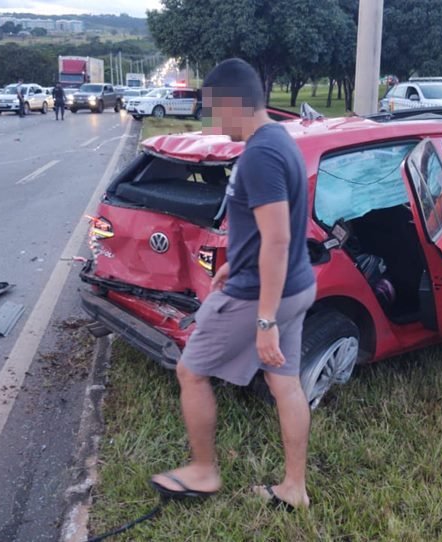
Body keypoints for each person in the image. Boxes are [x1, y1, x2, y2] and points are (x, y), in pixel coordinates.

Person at [149, 58, 316, 509]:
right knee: (286, 384)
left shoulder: (261, 155)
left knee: (191, 371)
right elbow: (272, 228)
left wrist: (264, 321)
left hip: (261, 296)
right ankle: (294, 489)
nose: (212, 122)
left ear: (233, 103)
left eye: (213, 110)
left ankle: (203, 472)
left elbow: (278, 238)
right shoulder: (280, 140)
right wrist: (234, 263)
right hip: (295, 286)